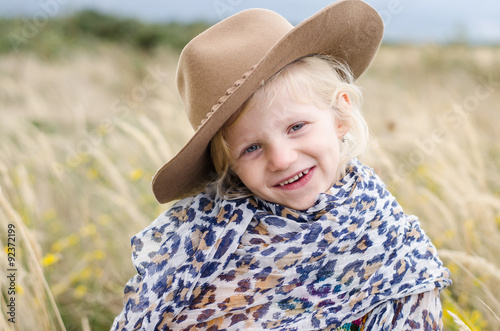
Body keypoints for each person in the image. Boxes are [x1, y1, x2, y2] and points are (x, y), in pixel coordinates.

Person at [112, 0, 451, 330]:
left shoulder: (387, 236)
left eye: (296, 127)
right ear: (228, 166)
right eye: (252, 148)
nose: (282, 159)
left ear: (340, 115)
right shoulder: (204, 247)